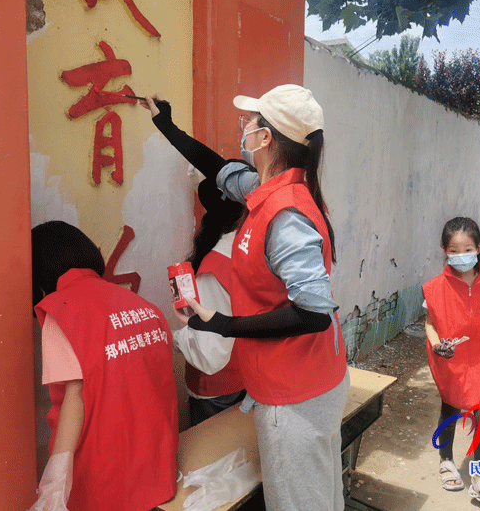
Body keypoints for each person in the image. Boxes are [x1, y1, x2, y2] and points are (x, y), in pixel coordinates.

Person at [174, 84, 348, 511]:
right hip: (307, 379)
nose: (244, 128)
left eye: (249, 121)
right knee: (320, 496)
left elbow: (313, 314)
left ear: (266, 138)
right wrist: (166, 124)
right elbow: (218, 168)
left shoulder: (285, 213)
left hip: (294, 396)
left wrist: (224, 324)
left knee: (298, 502)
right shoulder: (266, 189)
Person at [30, 221, 178, 511]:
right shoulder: (141, 305)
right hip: (158, 471)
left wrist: (54, 485)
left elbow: (75, 398)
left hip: (106, 480)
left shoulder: (62, 309)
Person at [141, 95, 246, 426]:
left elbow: (209, 354)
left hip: (218, 386)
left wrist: (176, 333)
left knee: (217, 468)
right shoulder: (252, 247)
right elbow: (214, 164)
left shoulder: (214, 268)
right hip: (248, 375)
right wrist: (167, 125)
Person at [422, 217, 480, 510]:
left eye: (467, 249)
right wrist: (437, 346)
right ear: (444, 251)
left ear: (479, 247)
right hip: (452, 359)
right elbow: (430, 323)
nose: (461, 256)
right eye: (453, 251)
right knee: (452, 407)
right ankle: (446, 461)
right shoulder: (434, 288)